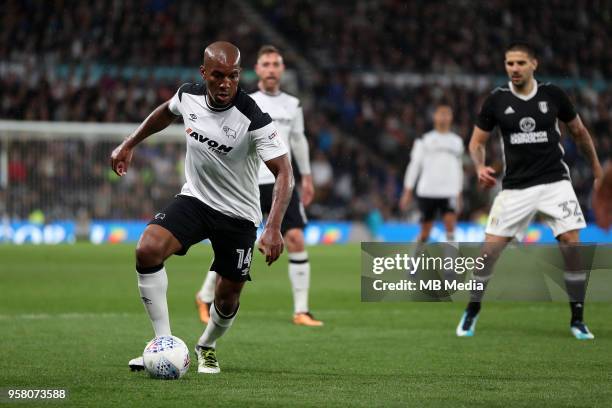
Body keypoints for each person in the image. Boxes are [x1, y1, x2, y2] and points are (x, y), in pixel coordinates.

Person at [110, 41, 293, 374]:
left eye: (233, 77)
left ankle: (206, 345)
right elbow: (165, 113)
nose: (225, 84)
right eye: (218, 76)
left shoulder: (252, 117)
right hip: (195, 200)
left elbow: (284, 172)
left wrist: (273, 226)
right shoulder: (188, 95)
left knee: (227, 297)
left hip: (239, 214)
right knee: (147, 249)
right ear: (203, 73)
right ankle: (164, 345)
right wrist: (129, 143)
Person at [456, 42, 603, 340]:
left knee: (572, 245)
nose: (514, 69)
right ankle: (472, 311)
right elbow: (476, 143)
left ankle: (577, 319)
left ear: (534, 64)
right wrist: (479, 166)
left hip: (555, 182)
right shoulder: (496, 100)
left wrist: (599, 173)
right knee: (488, 254)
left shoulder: (553, 95)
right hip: (516, 188)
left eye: (520, 63)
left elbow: (580, 133)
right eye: (509, 63)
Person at [195, 45, 322, 327]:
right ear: (258, 70)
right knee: (235, 245)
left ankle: (301, 310)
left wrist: (308, 176)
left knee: (296, 239)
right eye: (266, 64)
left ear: (282, 70)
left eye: (276, 64)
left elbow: (298, 141)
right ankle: (204, 297)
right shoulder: (244, 100)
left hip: (281, 184)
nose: (272, 69)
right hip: (248, 182)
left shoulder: (293, 105)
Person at [399, 103, 464, 243]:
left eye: (447, 114)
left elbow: (458, 169)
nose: (444, 117)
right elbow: (414, 166)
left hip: (449, 191)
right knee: (425, 232)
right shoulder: (424, 140)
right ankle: (414, 261)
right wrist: (407, 190)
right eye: (441, 113)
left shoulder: (457, 142)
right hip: (428, 190)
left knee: (450, 227)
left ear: (451, 117)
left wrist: (459, 192)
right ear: (434, 117)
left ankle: (451, 264)